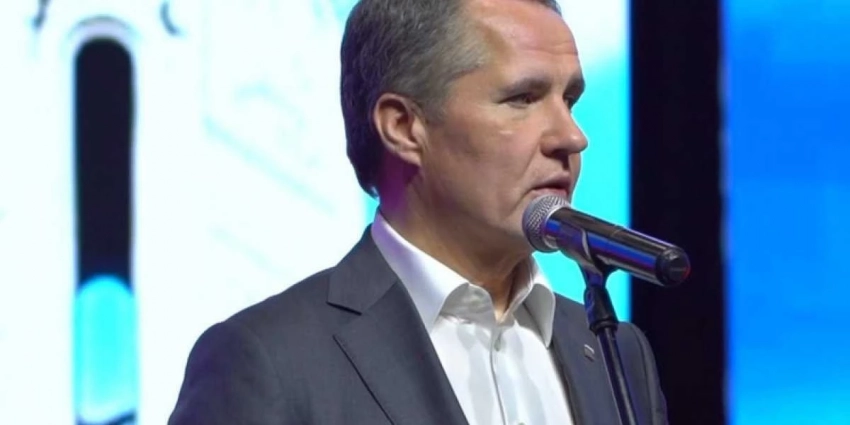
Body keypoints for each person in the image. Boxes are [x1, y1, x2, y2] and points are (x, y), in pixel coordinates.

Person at [168, 0, 669, 424]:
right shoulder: (269, 360)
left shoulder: (616, 353)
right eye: (522, 99)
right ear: (404, 127)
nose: (572, 137)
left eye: (570, 100)